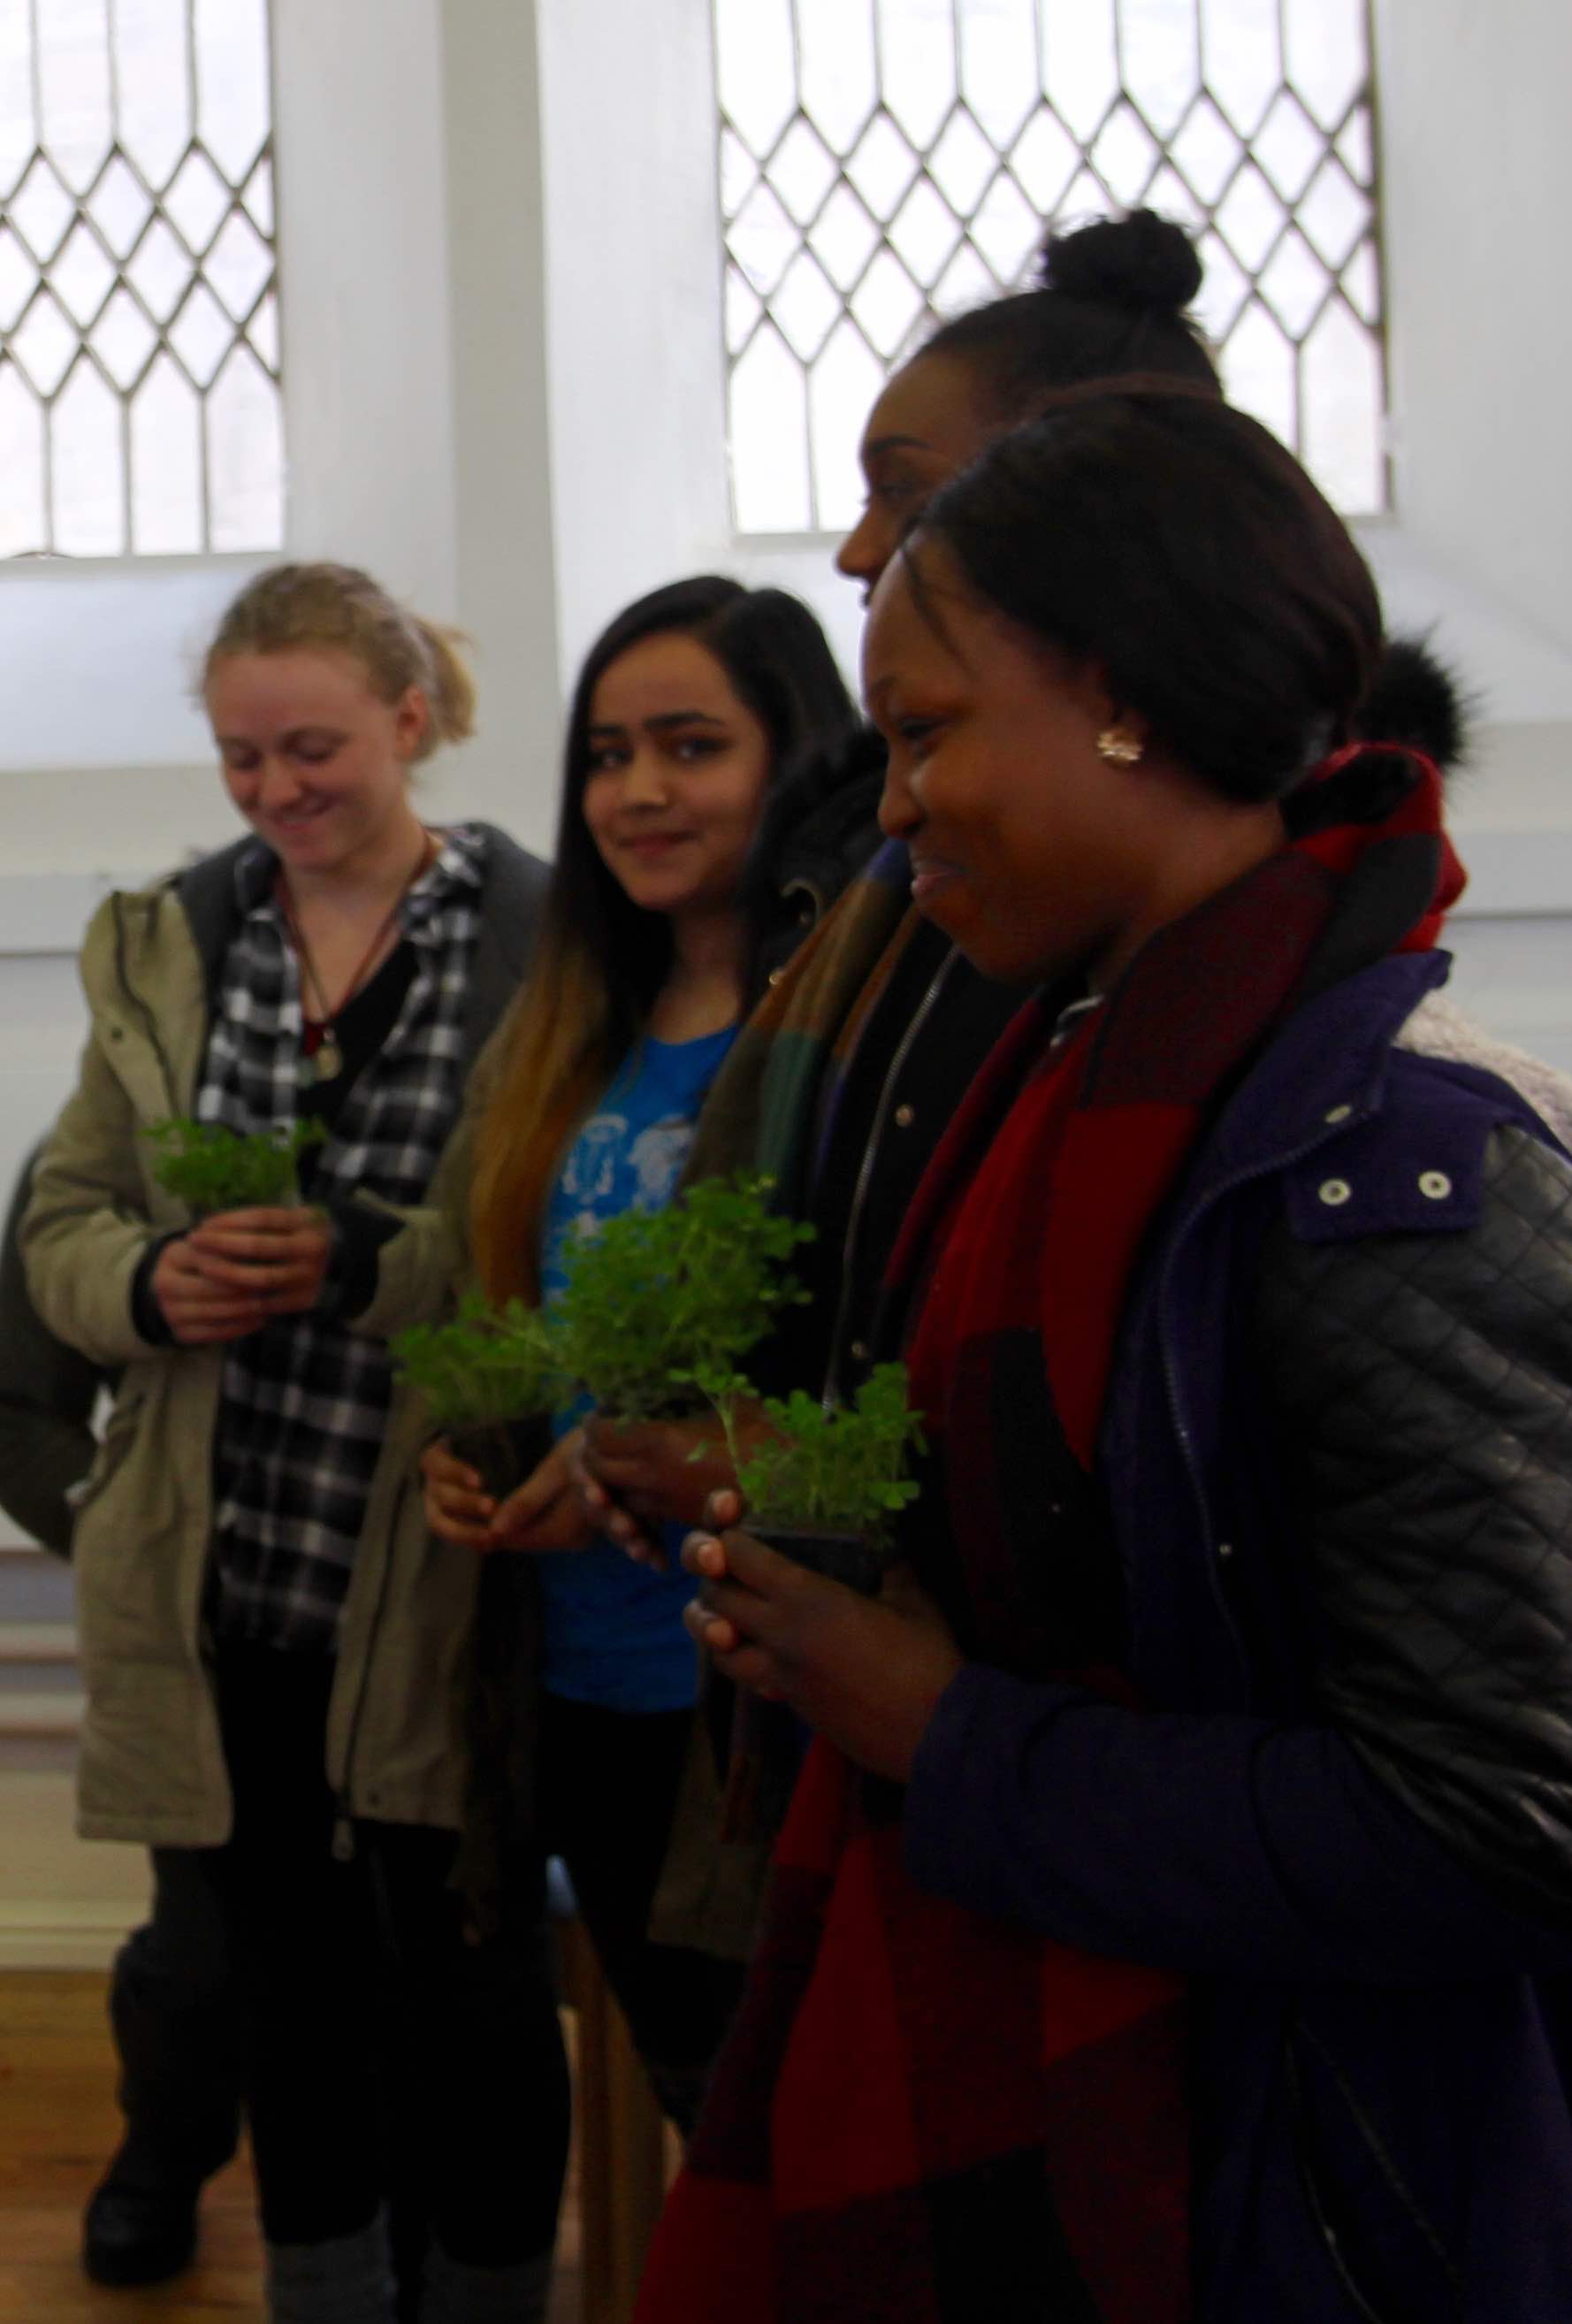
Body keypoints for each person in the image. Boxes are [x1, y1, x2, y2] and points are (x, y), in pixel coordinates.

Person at [644, 381, 1572, 2323]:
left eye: (931, 734)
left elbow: (1503, 1833)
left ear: (1125, 697)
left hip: (1360, 2171)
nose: (899, 804)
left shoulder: (1391, 1176)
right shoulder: (1086, 1077)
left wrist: (944, 1730)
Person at [585, 207, 1572, 1564]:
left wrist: (934, 1708)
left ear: (1108, 523)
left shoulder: (1389, 1139)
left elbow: (1481, 1755)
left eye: (904, 491)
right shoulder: (992, 932)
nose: (860, 551)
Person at [21, 562, 558, 2324]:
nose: (275, 793)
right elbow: (63, 1234)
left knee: (471, 2002)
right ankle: (324, 2298)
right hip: (231, 1571)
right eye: (241, 757)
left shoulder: (541, 943)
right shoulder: (180, 939)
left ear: (413, 721)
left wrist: (367, 1266)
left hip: (442, 1576)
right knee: (287, 2002)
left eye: (312, 748)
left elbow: (567, 1259)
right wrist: (162, 1284)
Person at [414, 580, 858, 2142]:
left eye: (692, 744)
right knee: (704, 2110)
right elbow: (507, 1318)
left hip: (762, 1686)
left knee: (803, 2131)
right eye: (608, 753)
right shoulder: (574, 1025)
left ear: (797, 757)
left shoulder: (847, 1028)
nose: (640, 791)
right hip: (580, 1673)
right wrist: (485, 1451)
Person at [0, 1150, 241, 2285]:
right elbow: (20, 1414)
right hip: (199, 1637)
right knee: (202, 1944)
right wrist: (135, 1538)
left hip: (411, 1608)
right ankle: (168, 2150)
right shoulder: (95, 1161)